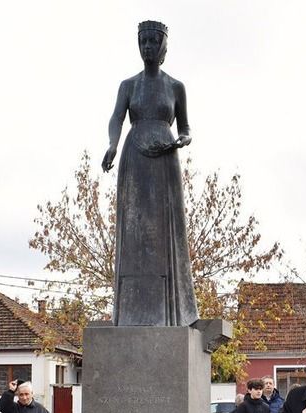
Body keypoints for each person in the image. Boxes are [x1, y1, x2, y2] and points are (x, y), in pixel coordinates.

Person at [102, 20, 197, 326]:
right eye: (143, 42)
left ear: (163, 47)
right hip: (135, 157)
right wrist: (113, 146)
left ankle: (171, 309)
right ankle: (131, 310)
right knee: (134, 227)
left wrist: (185, 138)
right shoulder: (128, 85)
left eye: (154, 43)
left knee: (165, 228)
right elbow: (117, 117)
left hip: (165, 158)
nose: (148, 48)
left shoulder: (175, 87)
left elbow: (185, 127)